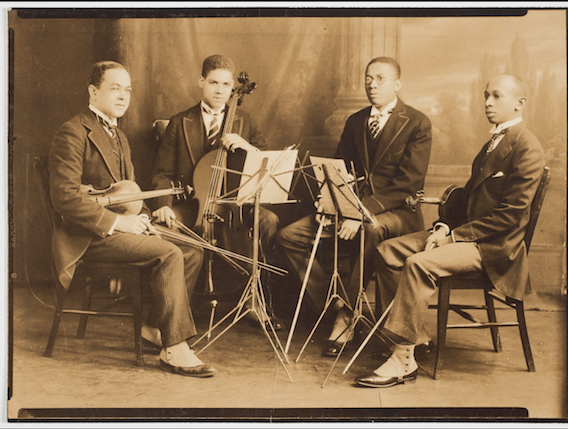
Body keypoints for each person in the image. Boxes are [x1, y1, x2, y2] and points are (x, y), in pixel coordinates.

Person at [354, 74, 545, 388]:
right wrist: (444, 225)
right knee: (387, 251)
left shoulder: (526, 146)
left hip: (494, 247)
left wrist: (454, 236)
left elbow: (510, 216)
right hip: (469, 234)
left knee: (417, 264)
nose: (487, 102)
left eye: (496, 96)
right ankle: (408, 338)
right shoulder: (493, 142)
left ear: (519, 103)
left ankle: (402, 360)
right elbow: (470, 198)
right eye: (486, 95)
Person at [49, 61, 216, 378]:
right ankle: (175, 348)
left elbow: (130, 195)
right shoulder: (72, 132)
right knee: (168, 253)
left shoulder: (119, 136)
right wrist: (120, 224)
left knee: (193, 249)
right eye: (115, 88)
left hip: (116, 232)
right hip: (87, 238)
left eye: (127, 90)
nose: (123, 96)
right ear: (93, 91)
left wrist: (143, 218)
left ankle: (154, 327)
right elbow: (65, 198)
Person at [278, 57, 432, 356]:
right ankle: (334, 302)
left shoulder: (417, 122)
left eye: (380, 78)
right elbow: (340, 169)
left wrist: (361, 212)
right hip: (352, 207)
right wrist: (329, 197)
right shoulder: (355, 121)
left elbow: (408, 184)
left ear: (397, 84)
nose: (372, 84)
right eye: (367, 78)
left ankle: (346, 317)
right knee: (289, 236)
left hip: (398, 212)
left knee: (371, 230)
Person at [150, 54, 282, 329]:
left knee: (268, 221)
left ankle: (253, 299)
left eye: (225, 84)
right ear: (201, 81)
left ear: (234, 85)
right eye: (213, 83)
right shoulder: (180, 121)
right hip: (192, 204)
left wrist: (247, 147)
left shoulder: (245, 121)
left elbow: (266, 163)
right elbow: (162, 172)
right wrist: (163, 203)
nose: (220, 90)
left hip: (234, 203)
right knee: (164, 227)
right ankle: (175, 313)